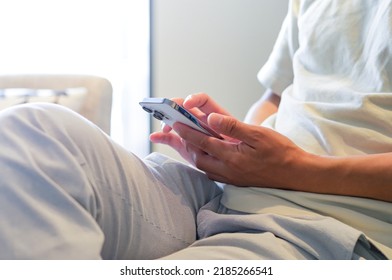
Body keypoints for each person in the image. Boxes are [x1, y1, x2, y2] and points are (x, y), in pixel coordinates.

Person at [0, 0, 391, 259]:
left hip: (329, 228)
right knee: (29, 133)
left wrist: (292, 170)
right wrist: (231, 149)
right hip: (227, 195)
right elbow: (273, 96)